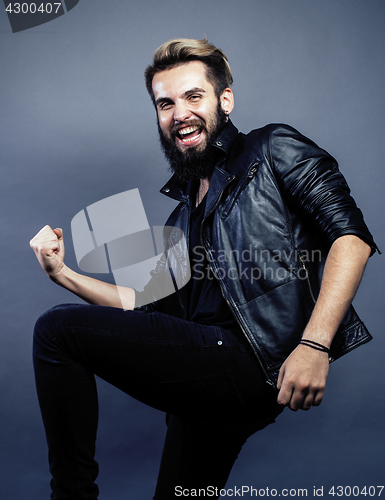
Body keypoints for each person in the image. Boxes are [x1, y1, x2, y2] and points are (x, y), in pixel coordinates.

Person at [30, 38, 378, 500]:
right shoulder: (183, 216)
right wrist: (63, 275)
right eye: (165, 103)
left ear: (225, 101)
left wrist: (314, 345)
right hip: (207, 377)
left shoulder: (271, 148)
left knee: (56, 330)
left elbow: (350, 238)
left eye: (194, 96)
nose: (180, 113)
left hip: (248, 360)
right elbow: (141, 306)